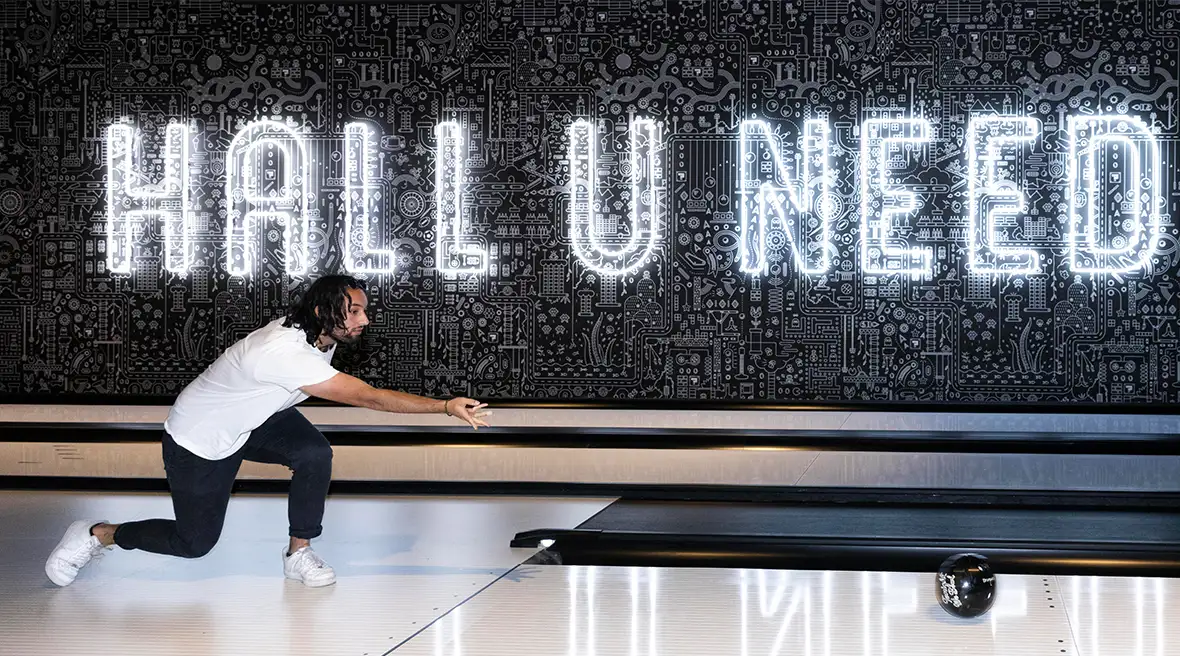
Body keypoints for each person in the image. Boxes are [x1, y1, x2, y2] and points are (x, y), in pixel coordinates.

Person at [44, 274, 490, 588]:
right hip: (203, 437)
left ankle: (298, 554)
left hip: (256, 418)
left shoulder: (317, 334)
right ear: (323, 311)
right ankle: (97, 533)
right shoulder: (284, 353)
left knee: (314, 454)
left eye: (364, 311)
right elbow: (370, 397)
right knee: (192, 543)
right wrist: (445, 407)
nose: (364, 321)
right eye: (354, 312)